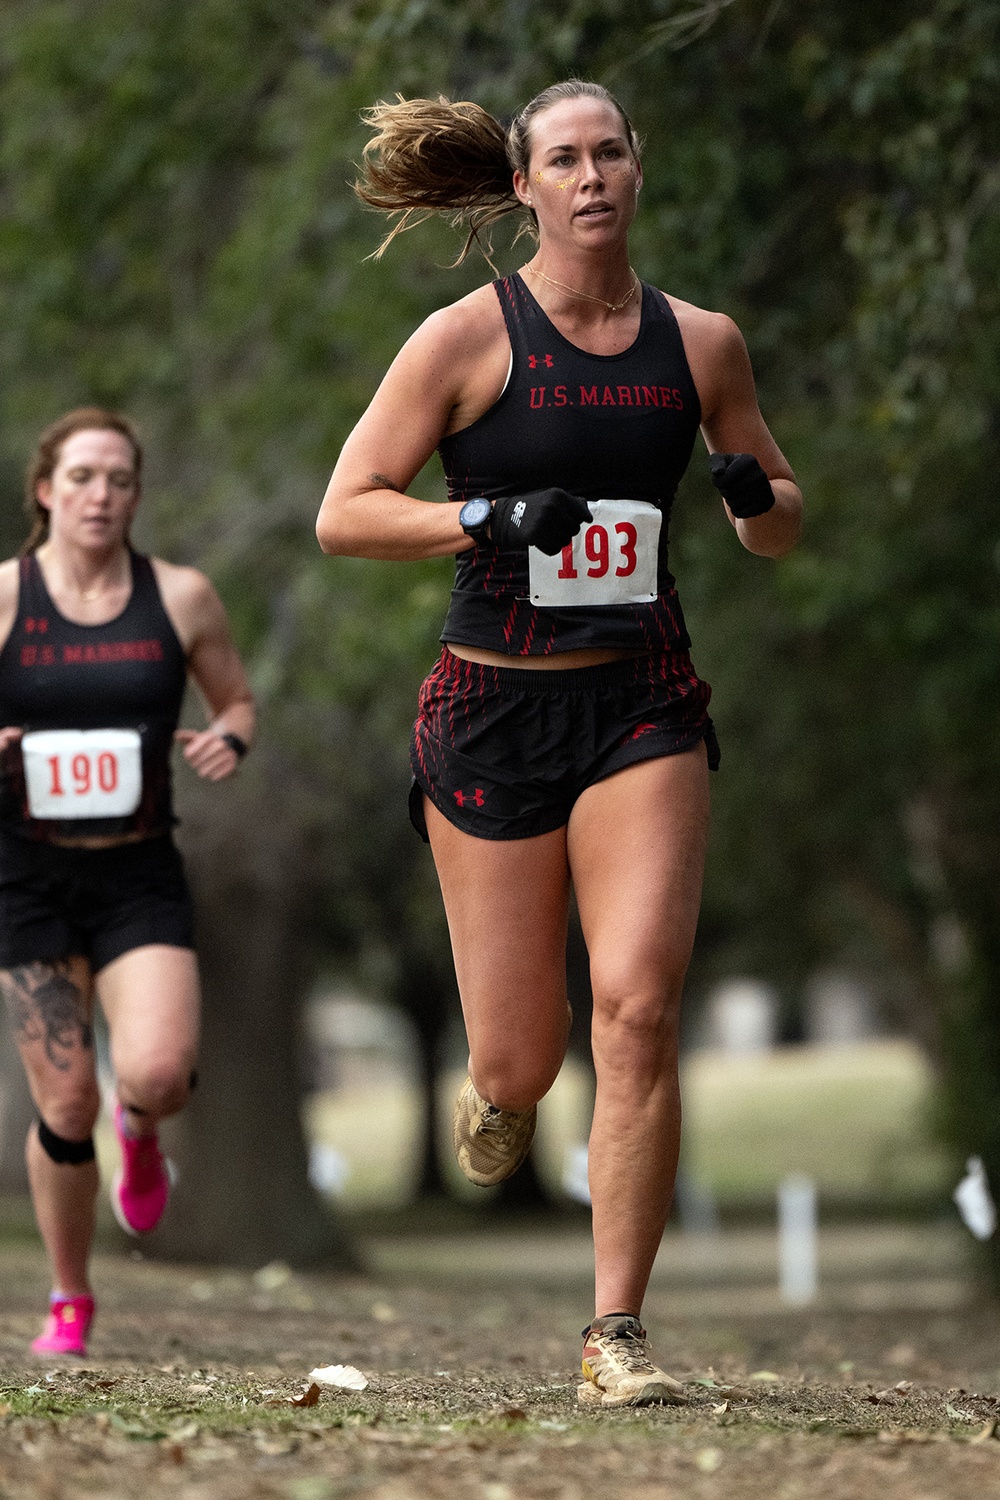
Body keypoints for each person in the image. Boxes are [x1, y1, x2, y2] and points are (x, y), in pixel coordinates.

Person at [317, 81, 801, 1407]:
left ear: (639, 172)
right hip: (490, 710)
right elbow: (345, 512)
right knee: (521, 1061)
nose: (591, 177)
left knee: (638, 1011)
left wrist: (758, 494)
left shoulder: (702, 345)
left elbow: (778, 520)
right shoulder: (464, 341)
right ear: (523, 188)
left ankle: (616, 1335)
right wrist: (480, 520)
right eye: (565, 160)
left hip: (641, 699)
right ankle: (497, 1085)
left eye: (610, 153)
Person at [0, 408, 255, 1359]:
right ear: (45, 489)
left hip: (138, 874)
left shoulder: (181, 596)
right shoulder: (6, 597)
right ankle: (71, 1297)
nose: (99, 494)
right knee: (62, 1107)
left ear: (136, 495)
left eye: (117, 479)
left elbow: (235, 698)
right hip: (26, 879)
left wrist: (228, 736)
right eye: (80, 477)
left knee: (155, 1073)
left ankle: (139, 1126)